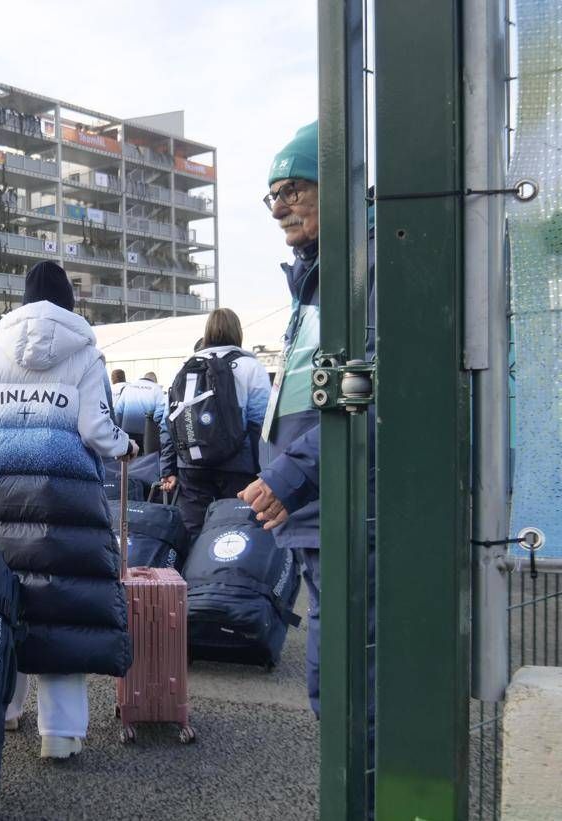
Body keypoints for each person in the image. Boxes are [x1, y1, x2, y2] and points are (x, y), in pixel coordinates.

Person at [0, 260, 137, 760]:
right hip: (68, 500)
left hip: (3, 496)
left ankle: (5, 713)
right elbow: (97, 430)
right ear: (68, 301)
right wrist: (125, 446)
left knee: (8, 603)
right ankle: (59, 736)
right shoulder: (85, 353)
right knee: (64, 608)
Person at [236, 121, 376, 720]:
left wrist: (290, 474)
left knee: (353, 684)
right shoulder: (322, 278)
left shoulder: (366, 270)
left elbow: (380, 388)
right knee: (339, 681)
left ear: (337, 183)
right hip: (321, 505)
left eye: (293, 188)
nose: (279, 209)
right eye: (274, 194)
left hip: (349, 505)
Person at [159, 308, 270, 540]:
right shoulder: (251, 367)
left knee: (193, 532)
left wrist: (168, 469)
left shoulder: (187, 365)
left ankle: (192, 574)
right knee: (236, 530)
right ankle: (228, 573)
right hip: (238, 465)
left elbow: (168, 421)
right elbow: (261, 421)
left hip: (192, 462)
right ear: (238, 332)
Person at [112, 370, 164, 451]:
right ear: (155, 381)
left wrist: (118, 430)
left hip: (127, 432)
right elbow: (160, 413)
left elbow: (118, 411)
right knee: (145, 460)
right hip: (147, 434)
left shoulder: (129, 387)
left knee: (129, 460)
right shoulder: (157, 389)